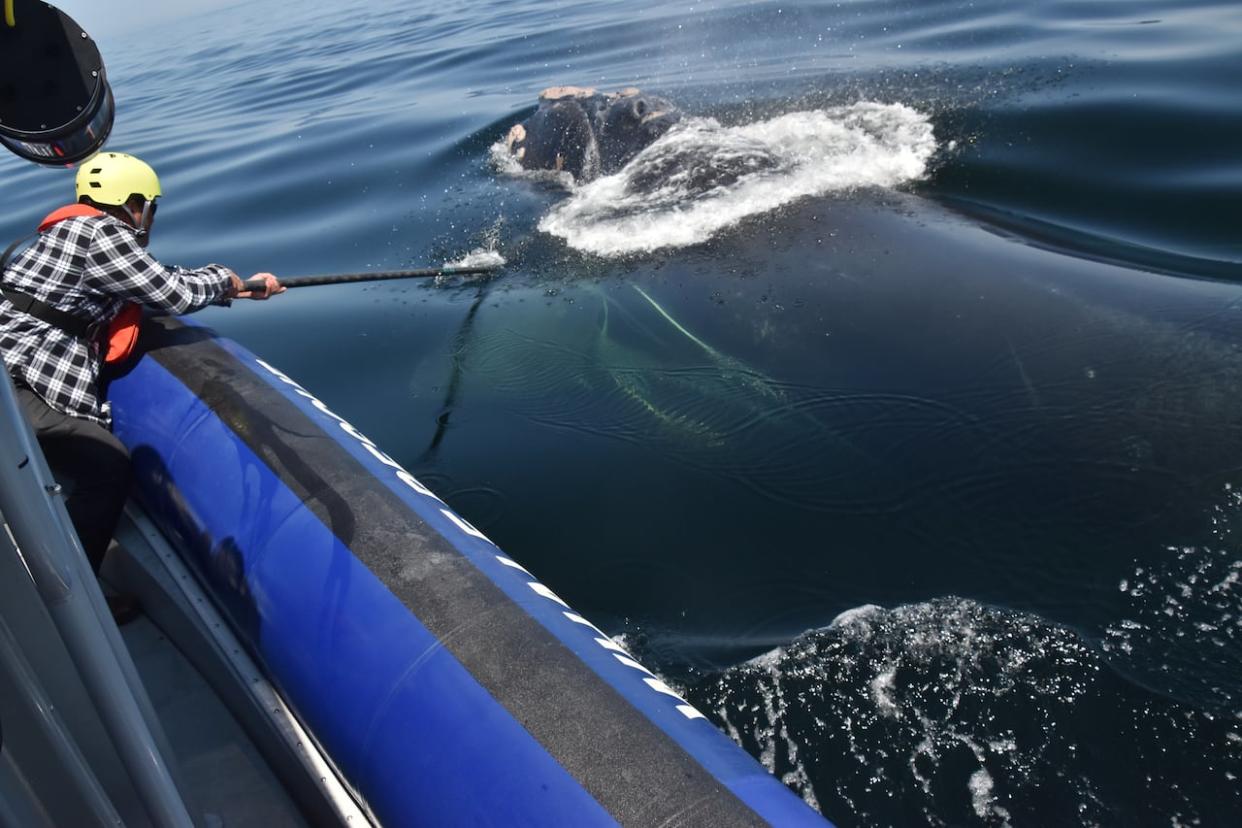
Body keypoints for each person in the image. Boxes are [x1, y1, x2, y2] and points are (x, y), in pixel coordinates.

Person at [0, 151, 284, 616]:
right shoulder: (103, 233)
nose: (149, 216)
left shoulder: (58, 235)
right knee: (105, 465)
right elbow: (170, 291)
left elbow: (144, 285)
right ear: (133, 203)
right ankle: (70, 603)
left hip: (11, 377)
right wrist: (231, 282)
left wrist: (239, 289)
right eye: (149, 205)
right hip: (17, 385)